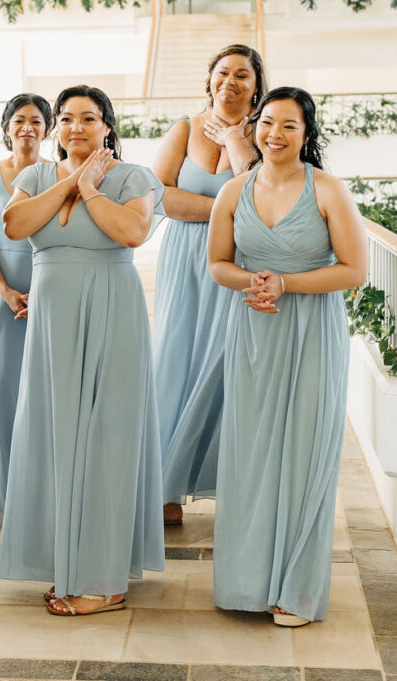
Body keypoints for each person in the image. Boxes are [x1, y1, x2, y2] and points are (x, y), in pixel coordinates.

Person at [0, 85, 165, 617]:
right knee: (54, 436)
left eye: (88, 119)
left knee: (108, 437)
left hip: (112, 313)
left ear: (108, 126)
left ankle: (105, 578)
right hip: (52, 323)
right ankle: (68, 562)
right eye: (66, 118)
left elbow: (133, 232)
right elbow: (15, 226)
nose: (75, 127)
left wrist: (92, 190)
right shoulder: (34, 177)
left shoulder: (134, 178)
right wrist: (74, 178)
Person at [209, 86, 366, 626]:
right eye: (267, 123)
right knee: (251, 456)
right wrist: (256, 282)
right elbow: (217, 264)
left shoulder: (327, 189)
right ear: (254, 126)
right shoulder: (233, 191)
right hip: (253, 327)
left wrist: (287, 283)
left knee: (303, 452)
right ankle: (247, 583)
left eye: (289, 126)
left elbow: (353, 270)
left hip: (310, 330)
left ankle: (295, 590)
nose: (274, 134)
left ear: (307, 133)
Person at [152, 44, 266, 525]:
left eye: (242, 74)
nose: (231, 82)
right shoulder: (184, 128)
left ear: (256, 84)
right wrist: (226, 210)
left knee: (228, 363)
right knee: (176, 359)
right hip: (184, 259)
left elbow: (263, 194)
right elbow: (160, 195)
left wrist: (240, 143)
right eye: (223, 72)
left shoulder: (267, 132)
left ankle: (231, 483)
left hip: (237, 262)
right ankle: (165, 486)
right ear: (210, 79)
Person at [0, 92, 52, 521]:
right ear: (6, 127)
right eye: (19, 120)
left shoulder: (55, 174)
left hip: (48, 294)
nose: (27, 128)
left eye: (36, 121)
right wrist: (5, 291)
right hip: (0, 297)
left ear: (47, 129)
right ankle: (3, 497)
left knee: (40, 392)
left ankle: (38, 493)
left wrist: (44, 291)